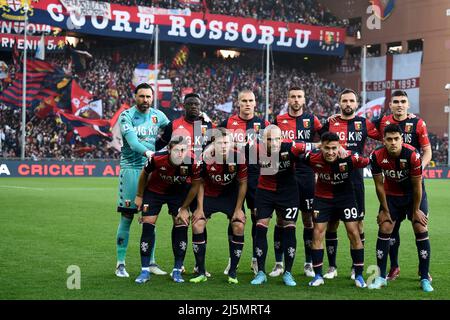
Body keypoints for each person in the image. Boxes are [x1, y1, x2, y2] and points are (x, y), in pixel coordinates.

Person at [319, 89, 380, 280]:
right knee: (332, 224)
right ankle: (332, 267)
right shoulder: (330, 122)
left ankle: (356, 268)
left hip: (354, 181)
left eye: (351, 101)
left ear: (356, 103)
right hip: (330, 180)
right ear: (339, 102)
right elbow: (318, 138)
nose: (347, 103)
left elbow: (384, 135)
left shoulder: (364, 123)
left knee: (358, 224)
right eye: (344, 100)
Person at [372, 90, 432, 282]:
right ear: (390, 105)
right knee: (390, 229)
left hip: (414, 185)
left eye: (403, 101)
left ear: (408, 104)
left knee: (420, 226)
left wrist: (418, 168)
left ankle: (424, 272)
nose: (399, 104)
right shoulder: (383, 121)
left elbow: (427, 150)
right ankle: (394, 267)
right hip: (392, 187)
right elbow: (361, 126)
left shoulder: (418, 123)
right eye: (396, 101)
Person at [156, 92, 214, 276]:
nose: (194, 107)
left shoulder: (206, 126)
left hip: (200, 180)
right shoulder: (173, 125)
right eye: (190, 104)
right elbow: (159, 145)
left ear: (200, 105)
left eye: (197, 104)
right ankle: (178, 264)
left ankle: (199, 266)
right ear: (184, 106)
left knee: (200, 221)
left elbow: (217, 145)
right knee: (179, 221)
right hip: (179, 181)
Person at [115, 83, 169, 278]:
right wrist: (151, 153)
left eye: (148, 97)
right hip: (131, 171)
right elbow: (132, 142)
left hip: (152, 171)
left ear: (152, 98)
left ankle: (151, 262)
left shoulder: (158, 115)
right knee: (127, 217)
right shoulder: (126, 116)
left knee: (150, 219)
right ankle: (120, 263)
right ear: (135, 96)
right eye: (142, 96)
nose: (145, 100)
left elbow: (173, 131)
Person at [250, 125, 312, 287]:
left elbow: (317, 145)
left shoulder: (292, 147)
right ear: (263, 140)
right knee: (261, 228)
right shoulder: (255, 149)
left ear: (282, 138)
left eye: (277, 139)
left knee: (289, 228)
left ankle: (288, 273)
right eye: (270, 139)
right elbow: (231, 149)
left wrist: (339, 148)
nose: (274, 142)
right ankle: (261, 272)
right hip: (265, 192)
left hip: (288, 193)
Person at [305, 132, 370, 288]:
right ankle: (318, 275)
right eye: (327, 148)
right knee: (317, 232)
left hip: (346, 198)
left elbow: (369, 160)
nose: (331, 152)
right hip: (322, 198)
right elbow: (297, 156)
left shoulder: (350, 157)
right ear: (321, 147)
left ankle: (359, 275)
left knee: (354, 232)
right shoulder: (312, 157)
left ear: (339, 146)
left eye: (334, 148)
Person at [134, 136, 202, 284]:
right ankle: (144, 270)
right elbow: (144, 174)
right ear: (169, 150)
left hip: (178, 194)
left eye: (183, 150)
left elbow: (196, 186)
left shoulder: (194, 162)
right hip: (154, 192)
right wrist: (139, 196)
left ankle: (177, 270)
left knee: (181, 223)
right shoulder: (157, 158)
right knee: (147, 224)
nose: (180, 153)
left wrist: (184, 208)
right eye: (176, 150)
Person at [273, 86, 323, 278]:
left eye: (299, 97)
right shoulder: (278, 120)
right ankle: (279, 263)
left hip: (306, 174)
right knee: (282, 219)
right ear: (288, 99)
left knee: (308, 219)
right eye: (292, 97)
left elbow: (324, 139)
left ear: (304, 100)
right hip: (284, 173)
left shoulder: (312, 120)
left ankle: (309, 264)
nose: (295, 100)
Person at [220, 89, 269, 275]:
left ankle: (256, 259)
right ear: (238, 103)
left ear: (255, 103)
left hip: (257, 176)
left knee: (258, 219)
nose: (247, 104)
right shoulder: (228, 123)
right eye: (244, 101)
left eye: (251, 101)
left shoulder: (263, 124)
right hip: (234, 176)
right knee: (234, 218)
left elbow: (271, 148)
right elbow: (216, 143)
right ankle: (233, 259)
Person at [189, 128, 248, 284]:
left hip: (230, 195)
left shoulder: (238, 156)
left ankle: (233, 272)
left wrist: (238, 209)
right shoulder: (205, 158)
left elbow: (242, 183)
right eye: (220, 142)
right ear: (214, 143)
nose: (223, 146)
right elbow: (200, 183)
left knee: (239, 226)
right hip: (209, 194)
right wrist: (200, 208)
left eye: (226, 142)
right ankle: (201, 271)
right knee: (197, 224)